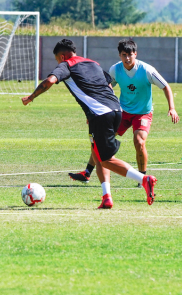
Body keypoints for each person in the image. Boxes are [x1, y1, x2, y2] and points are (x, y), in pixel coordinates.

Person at [22, 39, 157, 209]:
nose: (58, 63)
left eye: (57, 59)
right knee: (97, 154)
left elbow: (49, 81)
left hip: (100, 114)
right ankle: (106, 197)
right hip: (115, 110)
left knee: (106, 160)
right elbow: (108, 84)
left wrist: (31, 97)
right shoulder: (92, 63)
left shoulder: (66, 65)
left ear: (62, 56)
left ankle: (144, 179)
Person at [69, 39, 179, 184]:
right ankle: (87, 173)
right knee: (101, 140)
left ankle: (142, 178)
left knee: (139, 141)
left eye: (130, 55)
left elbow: (165, 86)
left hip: (143, 113)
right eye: (124, 55)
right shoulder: (115, 70)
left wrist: (172, 108)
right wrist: (97, 112)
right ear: (119, 55)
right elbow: (105, 88)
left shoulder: (147, 70)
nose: (127, 58)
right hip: (122, 112)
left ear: (135, 54)